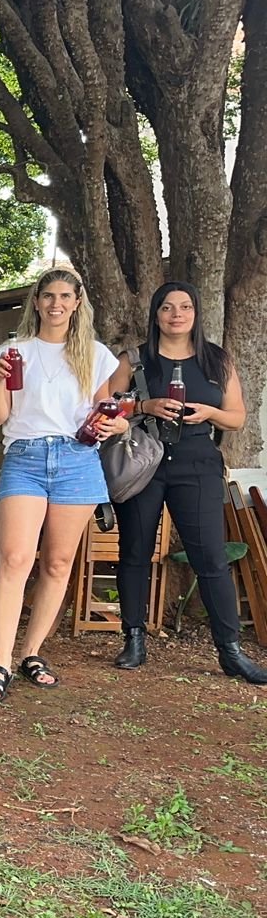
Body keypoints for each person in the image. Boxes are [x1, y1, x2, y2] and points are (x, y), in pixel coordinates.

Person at [0, 267, 126, 702]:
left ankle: (31, 653)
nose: (56, 304)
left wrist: (110, 426)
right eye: (48, 296)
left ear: (78, 302)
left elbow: (107, 412)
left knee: (59, 563)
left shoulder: (96, 354)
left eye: (65, 296)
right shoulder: (12, 350)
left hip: (77, 460)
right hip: (25, 457)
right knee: (15, 558)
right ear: (37, 301)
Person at [108, 283, 267, 684]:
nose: (176, 314)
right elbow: (107, 404)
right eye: (166, 307)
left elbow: (237, 417)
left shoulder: (217, 360)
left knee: (211, 558)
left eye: (184, 307)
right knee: (134, 552)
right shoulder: (136, 359)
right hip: (145, 461)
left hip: (197, 463)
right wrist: (145, 406)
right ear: (156, 314)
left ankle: (230, 652)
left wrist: (210, 411)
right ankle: (134, 638)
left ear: (196, 313)